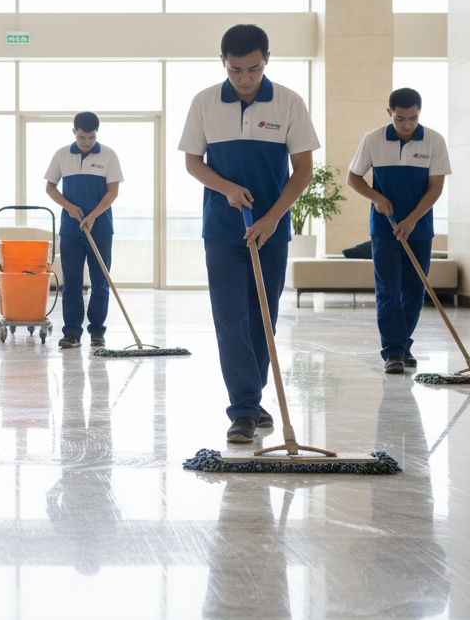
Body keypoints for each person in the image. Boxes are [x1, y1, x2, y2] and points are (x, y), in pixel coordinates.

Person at [179, 24, 320, 443]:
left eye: (253, 69)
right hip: (223, 231)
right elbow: (193, 162)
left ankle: (252, 397)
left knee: (263, 318)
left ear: (267, 61)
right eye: (236, 69)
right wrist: (226, 188)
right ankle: (242, 409)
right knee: (230, 318)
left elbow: (304, 170)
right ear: (222, 62)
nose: (244, 79)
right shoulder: (204, 102)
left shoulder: (288, 103)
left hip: (270, 231)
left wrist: (274, 217)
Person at [346, 87, 451, 373]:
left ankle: (404, 343)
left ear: (420, 113)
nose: (407, 125)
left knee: (415, 292)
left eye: (413, 119)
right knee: (388, 291)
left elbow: (436, 188)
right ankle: (393, 351)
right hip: (385, 229)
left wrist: (413, 219)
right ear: (389, 112)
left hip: (419, 228)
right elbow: (353, 177)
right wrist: (377, 198)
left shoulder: (434, 141)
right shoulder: (373, 140)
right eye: (401, 118)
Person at [44, 111, 123, 349]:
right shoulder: (61, 155)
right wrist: (69, 207)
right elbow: (50, 188)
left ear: (96, 134)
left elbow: (113, 192)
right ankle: (72, 332)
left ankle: (97, 330)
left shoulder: (109, 155)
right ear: (74, 132)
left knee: (100, 281)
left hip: (100, 229)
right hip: (70, 230)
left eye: (90, 137)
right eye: (81, 137)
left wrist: (93, 215)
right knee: (72, 282)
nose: (86, 142)